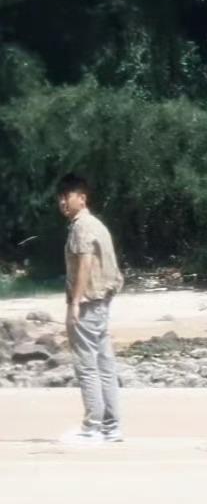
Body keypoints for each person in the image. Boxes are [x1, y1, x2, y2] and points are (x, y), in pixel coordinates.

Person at [57, 172, 125, 447]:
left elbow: (85, 263)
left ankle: (92, 427)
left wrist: (75, 302)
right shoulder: (97, 224)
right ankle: (111, 426)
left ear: (82, 198)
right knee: (105, 364)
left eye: (67, 196)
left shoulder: (81, 226)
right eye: (60, 198)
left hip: (87, 304)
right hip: (102, 303)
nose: (63, 202)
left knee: (87, 366)